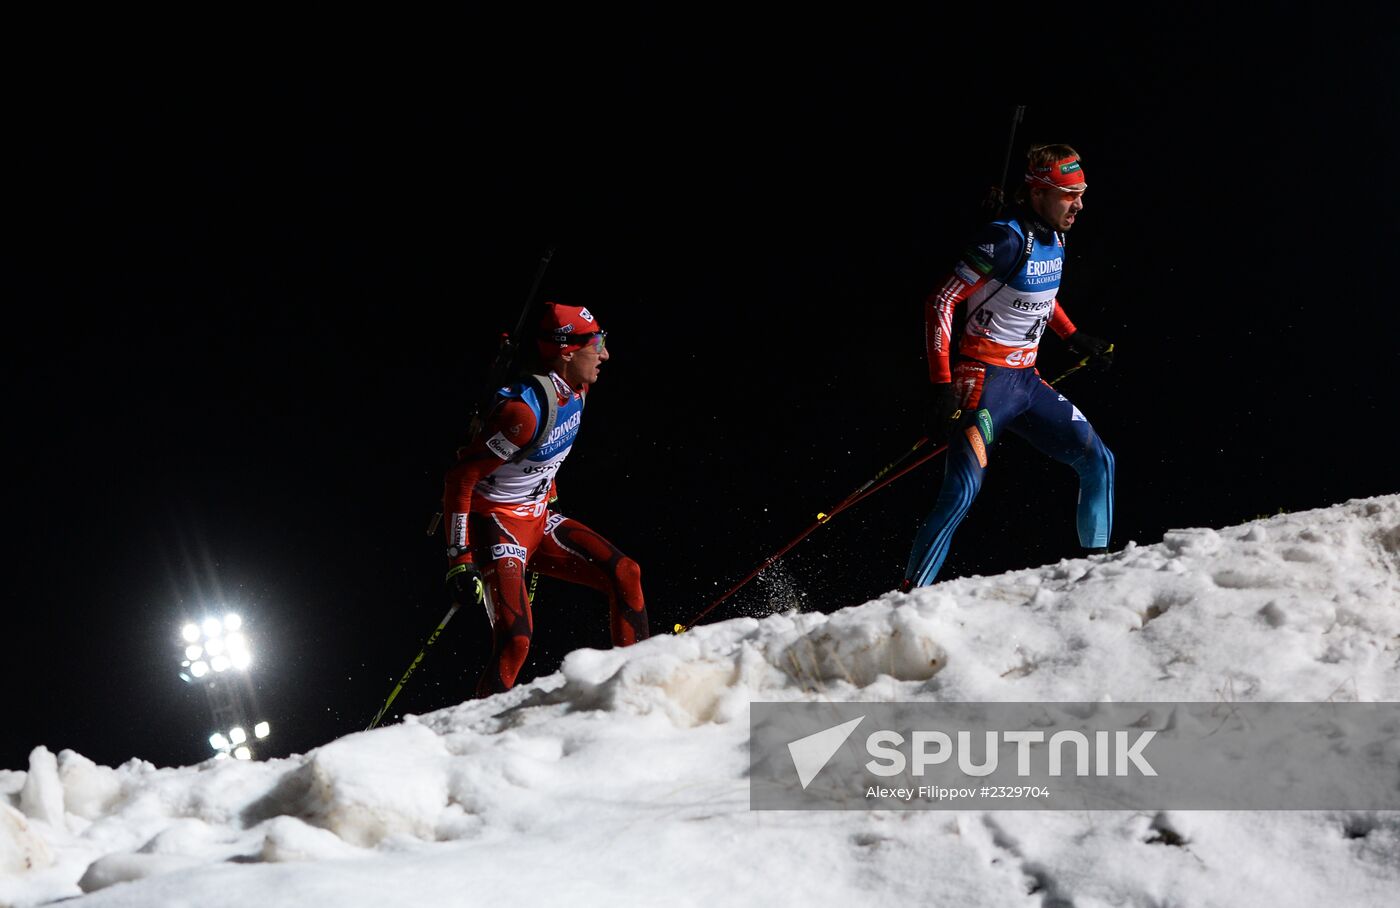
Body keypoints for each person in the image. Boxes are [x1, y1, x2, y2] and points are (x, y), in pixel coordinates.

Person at [901, 144, 1116, 591]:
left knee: (1099, 460)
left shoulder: (1055, 232)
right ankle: (907, 600)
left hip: (1027, 382)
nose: (1079, 205)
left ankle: (1101, 577)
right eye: (1067, 195)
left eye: (1081, 192)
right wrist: (942, 385)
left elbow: (1039, 292)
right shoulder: (1004, 238)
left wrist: (1073, 336)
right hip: (982, 384)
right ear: (1038, 192)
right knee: (961, 495)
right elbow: (941, 300)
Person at [442, 301, 648, 696]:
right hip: (499, 527)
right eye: (598, 343)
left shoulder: (579, 386)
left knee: (626, 573)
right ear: (568, 352)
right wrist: (460, 560)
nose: (606, 354)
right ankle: (478, 739)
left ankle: (637, 687)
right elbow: (460, 480)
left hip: (536, 519)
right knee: (516, 641)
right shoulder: (525, 413)